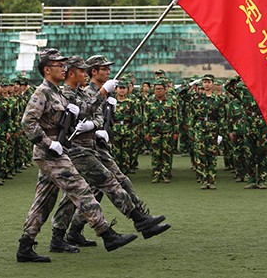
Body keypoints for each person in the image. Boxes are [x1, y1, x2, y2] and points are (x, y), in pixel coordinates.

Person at [17, 49, 134, 263]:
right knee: (81, 190)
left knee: (44, 201)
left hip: (59, 150)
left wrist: (75, 116)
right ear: (47, 69)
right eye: (59, 65)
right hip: (50, 154)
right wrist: (49, 143)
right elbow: (28, 123)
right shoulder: (42, 92)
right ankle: (106, 234)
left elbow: (70, 119)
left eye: (64, 65)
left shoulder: (57, 93)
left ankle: (25, 246)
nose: (64, 68)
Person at [48, 55, 168, 253]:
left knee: (106, 184)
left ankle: (138, 219)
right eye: (104, 68)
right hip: (80, 148)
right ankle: (137, 219)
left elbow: (96, 117)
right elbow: (85, 112)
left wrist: (100, 121)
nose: (108, 72)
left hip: (96, 147)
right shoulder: (83, 92)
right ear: (94, 71)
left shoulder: (91, 92)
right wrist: (95, 118)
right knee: (90, 188)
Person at [143, 78, 178, 183]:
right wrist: (146, 133)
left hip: (168, 130)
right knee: (156, 153)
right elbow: (145, 119)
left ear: (165, 89)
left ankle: (166, 174)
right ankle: (156, 174)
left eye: (160, 89)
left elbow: (175, 118)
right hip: (154, 130)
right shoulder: (149, 102)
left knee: (167, 153)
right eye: (156, 89)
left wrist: (176, 132)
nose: (158, 91)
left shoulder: (171, 102)